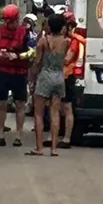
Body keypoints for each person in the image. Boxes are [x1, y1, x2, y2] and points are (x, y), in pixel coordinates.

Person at [0, 4, 31, 147]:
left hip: (19, 72)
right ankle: (0, 135)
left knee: (20, 104)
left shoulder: (25, 33)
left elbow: (32, 52)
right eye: (6, 20)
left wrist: (17, 56)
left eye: (11, 20)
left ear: (17, 18)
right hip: (2, 71)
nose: (8, 24)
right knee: (1, 103)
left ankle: (19, 135)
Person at [27, 13, 69, 156]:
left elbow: (37, 62)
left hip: (45, 75)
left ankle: (39, 148)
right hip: (59, 76)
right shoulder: (66, 42)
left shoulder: (43, 41)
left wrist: (32, 78)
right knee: (55, 113)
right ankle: (54, 148)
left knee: (38, 113)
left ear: (49, 26)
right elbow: (66, 59)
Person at [58, 11, 85, 149]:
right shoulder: (63, 39)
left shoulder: (74, 41)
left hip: (67, 77)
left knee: (67, 107)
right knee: (59, 107)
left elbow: (67, 59)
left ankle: (67, 138)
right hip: (60, 76)